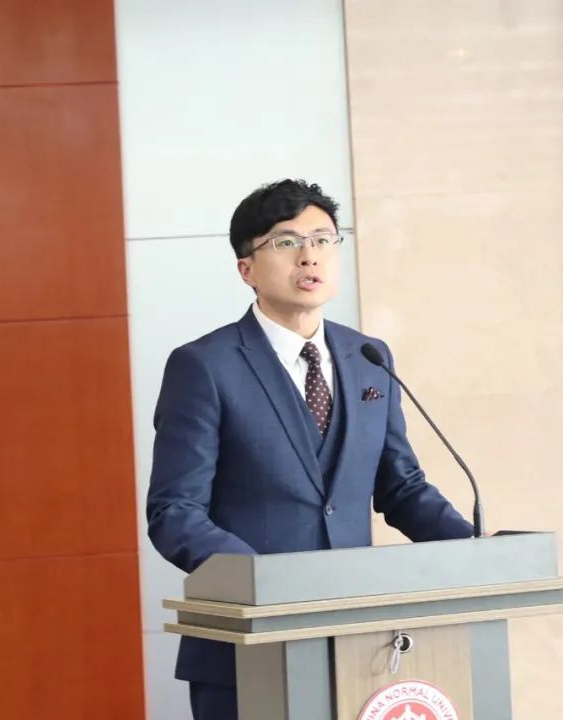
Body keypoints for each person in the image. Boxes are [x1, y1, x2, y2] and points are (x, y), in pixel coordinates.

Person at [146, 179, 474, 720]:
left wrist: (475, 552)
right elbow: (174, 512)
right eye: (286, 242)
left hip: (360, 647)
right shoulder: (204, 366)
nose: (309, 255)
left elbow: (401, 486)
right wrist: (266, 582)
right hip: (247, 649)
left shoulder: (369, 357)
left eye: (323, 239)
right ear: (246, 268)